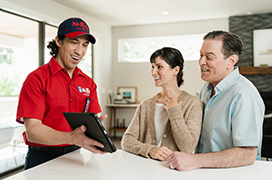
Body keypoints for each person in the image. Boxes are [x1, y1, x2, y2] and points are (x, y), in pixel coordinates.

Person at [165, 30, 265, 171]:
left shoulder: (244, 94)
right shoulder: (206, 89)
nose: (201, 62)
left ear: (231, 61)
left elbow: (247, 154)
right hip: (205, 171)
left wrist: (194, 160)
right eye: (201, 55)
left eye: (209, 57)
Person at [16, 17, 107, 170]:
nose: (80, 51)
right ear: (59, 41)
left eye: (85, 45)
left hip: (75, 156)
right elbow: (32, 131)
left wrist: (97, 131)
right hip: (41, 159)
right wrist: (71, 138)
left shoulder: (88, 83)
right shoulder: (37, 79)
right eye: (74, 42)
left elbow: (91, 123)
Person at [121, 47, 203, 161]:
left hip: (173, 172)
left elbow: (188, 147)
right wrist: (150, 149)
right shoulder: (146, 104)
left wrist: (174, 111)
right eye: (153, 67)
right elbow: (126, 140)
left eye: (159, 67)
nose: (153, 72)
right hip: (144, 169)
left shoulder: (193, 103)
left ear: (175, 70)